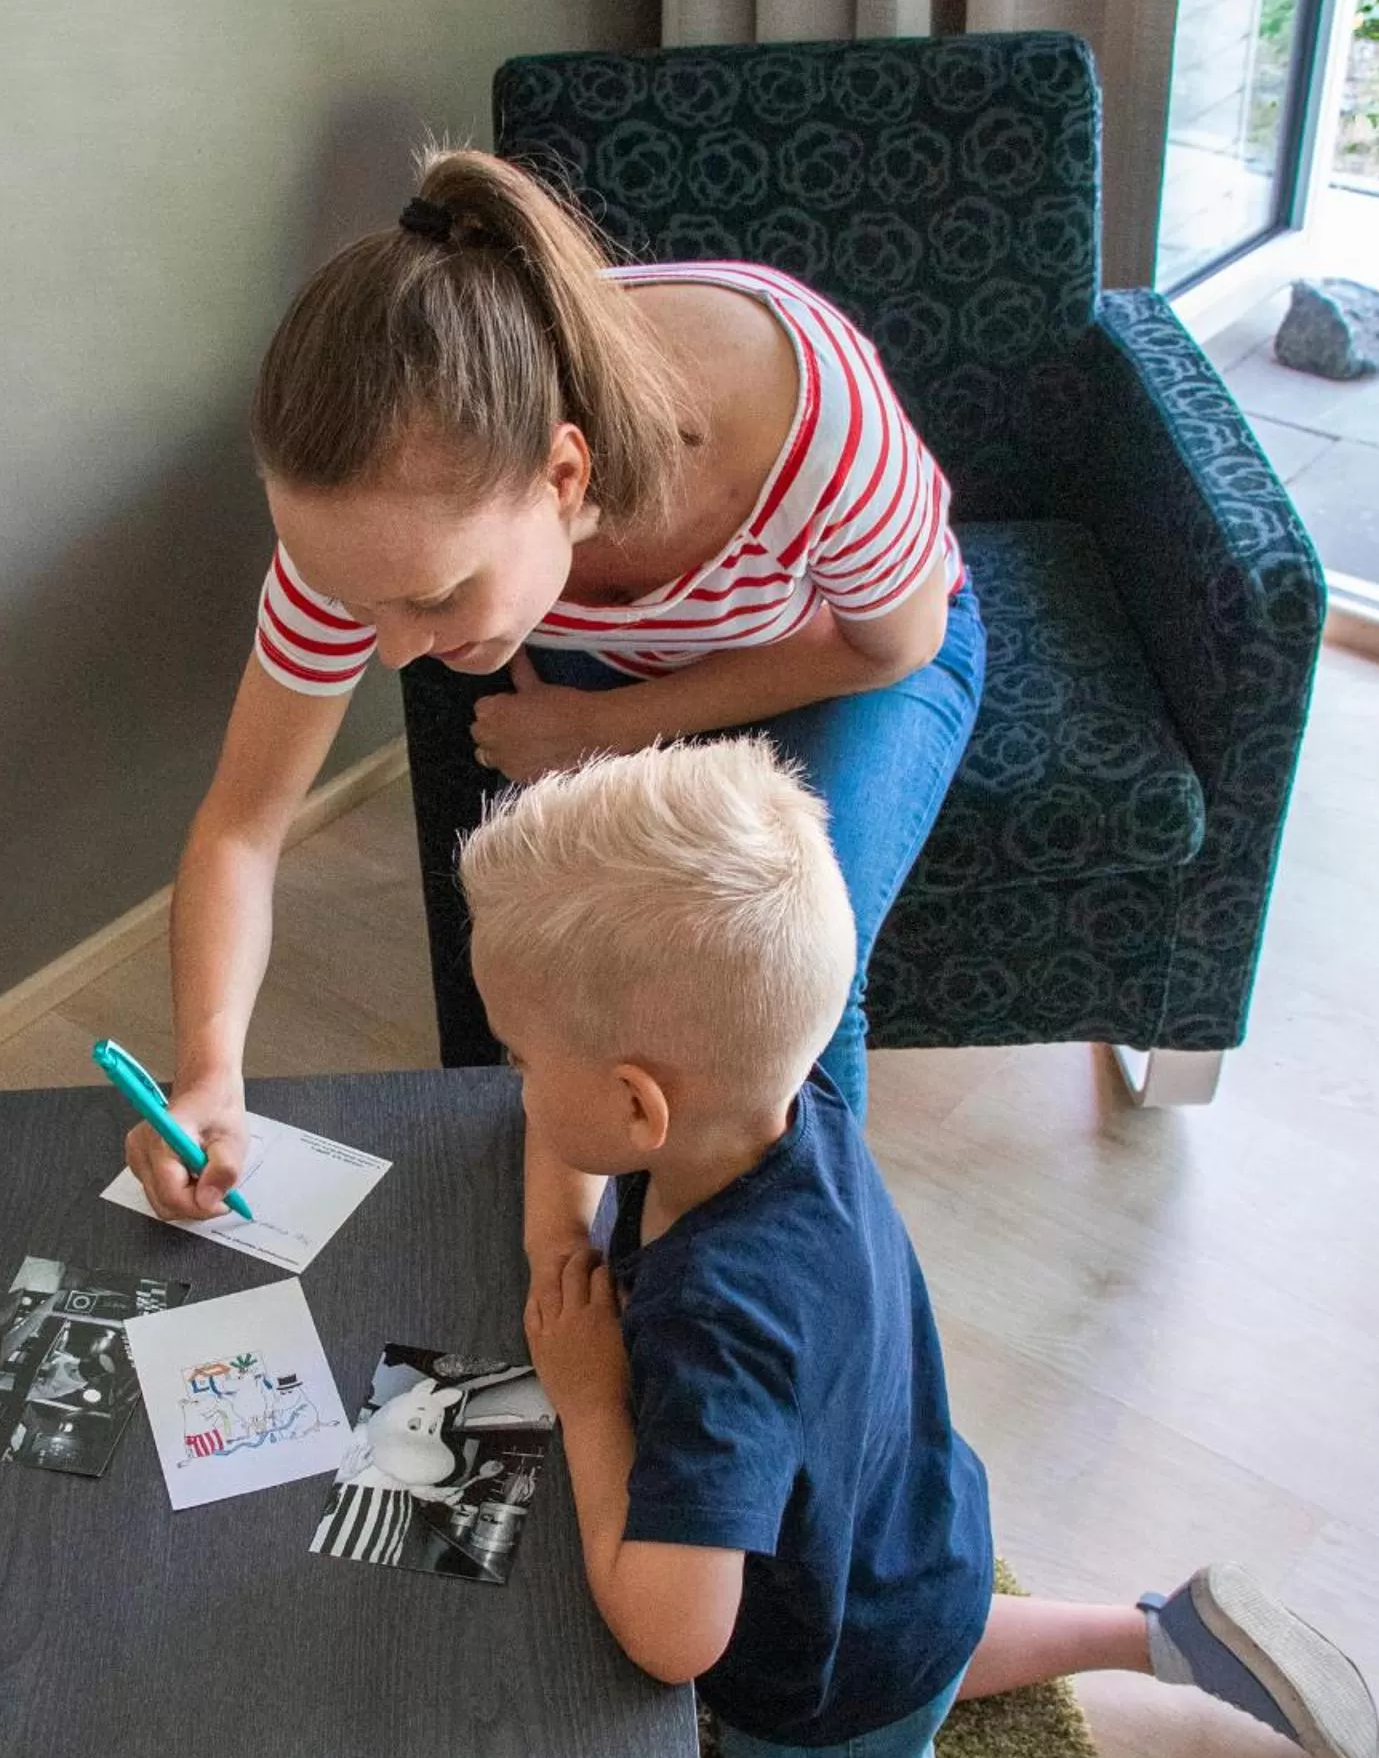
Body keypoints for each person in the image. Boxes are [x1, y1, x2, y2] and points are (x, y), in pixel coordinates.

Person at [457, 736, 1379, 1758]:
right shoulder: (792, 1106)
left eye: (525, 1059)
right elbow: (589, 1133)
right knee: (922, 1642)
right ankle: (1163, 1632)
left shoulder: (713, 1326)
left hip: (822, 1671)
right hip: (916, 1539)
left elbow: (674, 1634)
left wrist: (591, 1402)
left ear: (642, 1104)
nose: (517, 1083)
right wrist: (558, 1232)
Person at [124, 146, 984, 1227]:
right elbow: (242, 829)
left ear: (565, 474)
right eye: (359, 601)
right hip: (615, 673)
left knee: (770, 976)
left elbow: (894, 643)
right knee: (563, 987)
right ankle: (571, 1254)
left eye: (431, 600)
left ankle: (783, 1285)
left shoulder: (811, 415)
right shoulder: (360, 536)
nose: (392, 653)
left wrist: (606, 728)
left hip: (848, 656)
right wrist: (209, 1069)